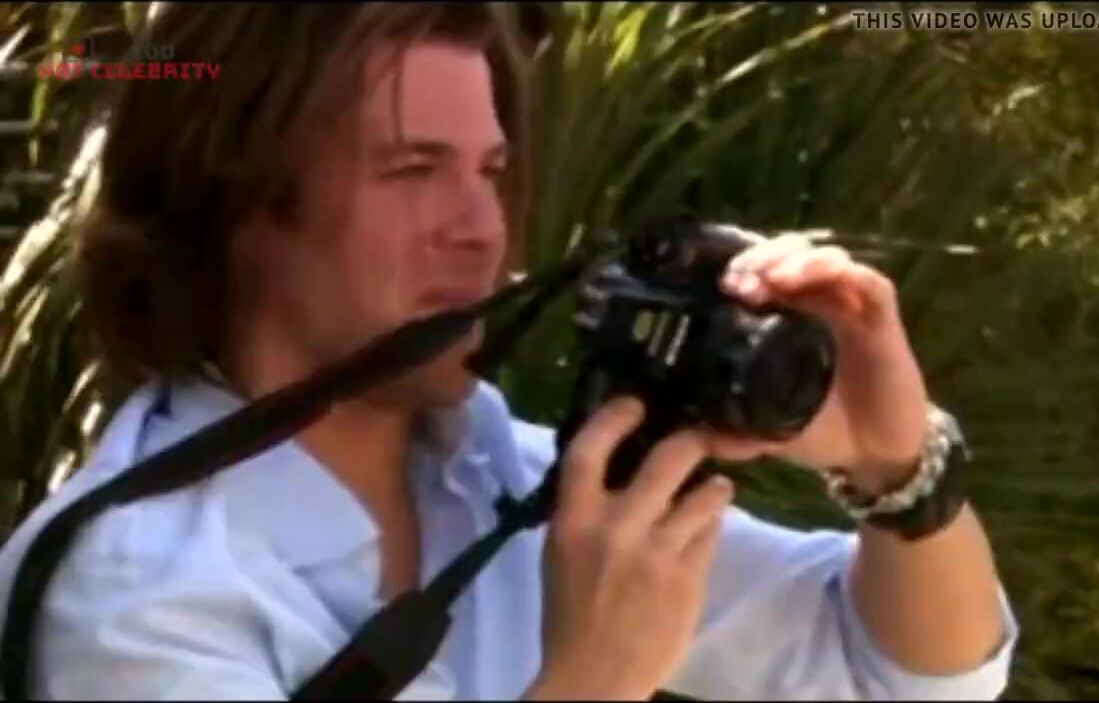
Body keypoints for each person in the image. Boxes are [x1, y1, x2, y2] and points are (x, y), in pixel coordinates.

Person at [0, 3, 1019, 700]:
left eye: (489, 171)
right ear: (237, 208)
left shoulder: (500, 478)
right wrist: (594, 678)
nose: (481, 227)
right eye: (413, 169)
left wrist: (897, 468)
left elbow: (899, 675)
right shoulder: (135, 594)